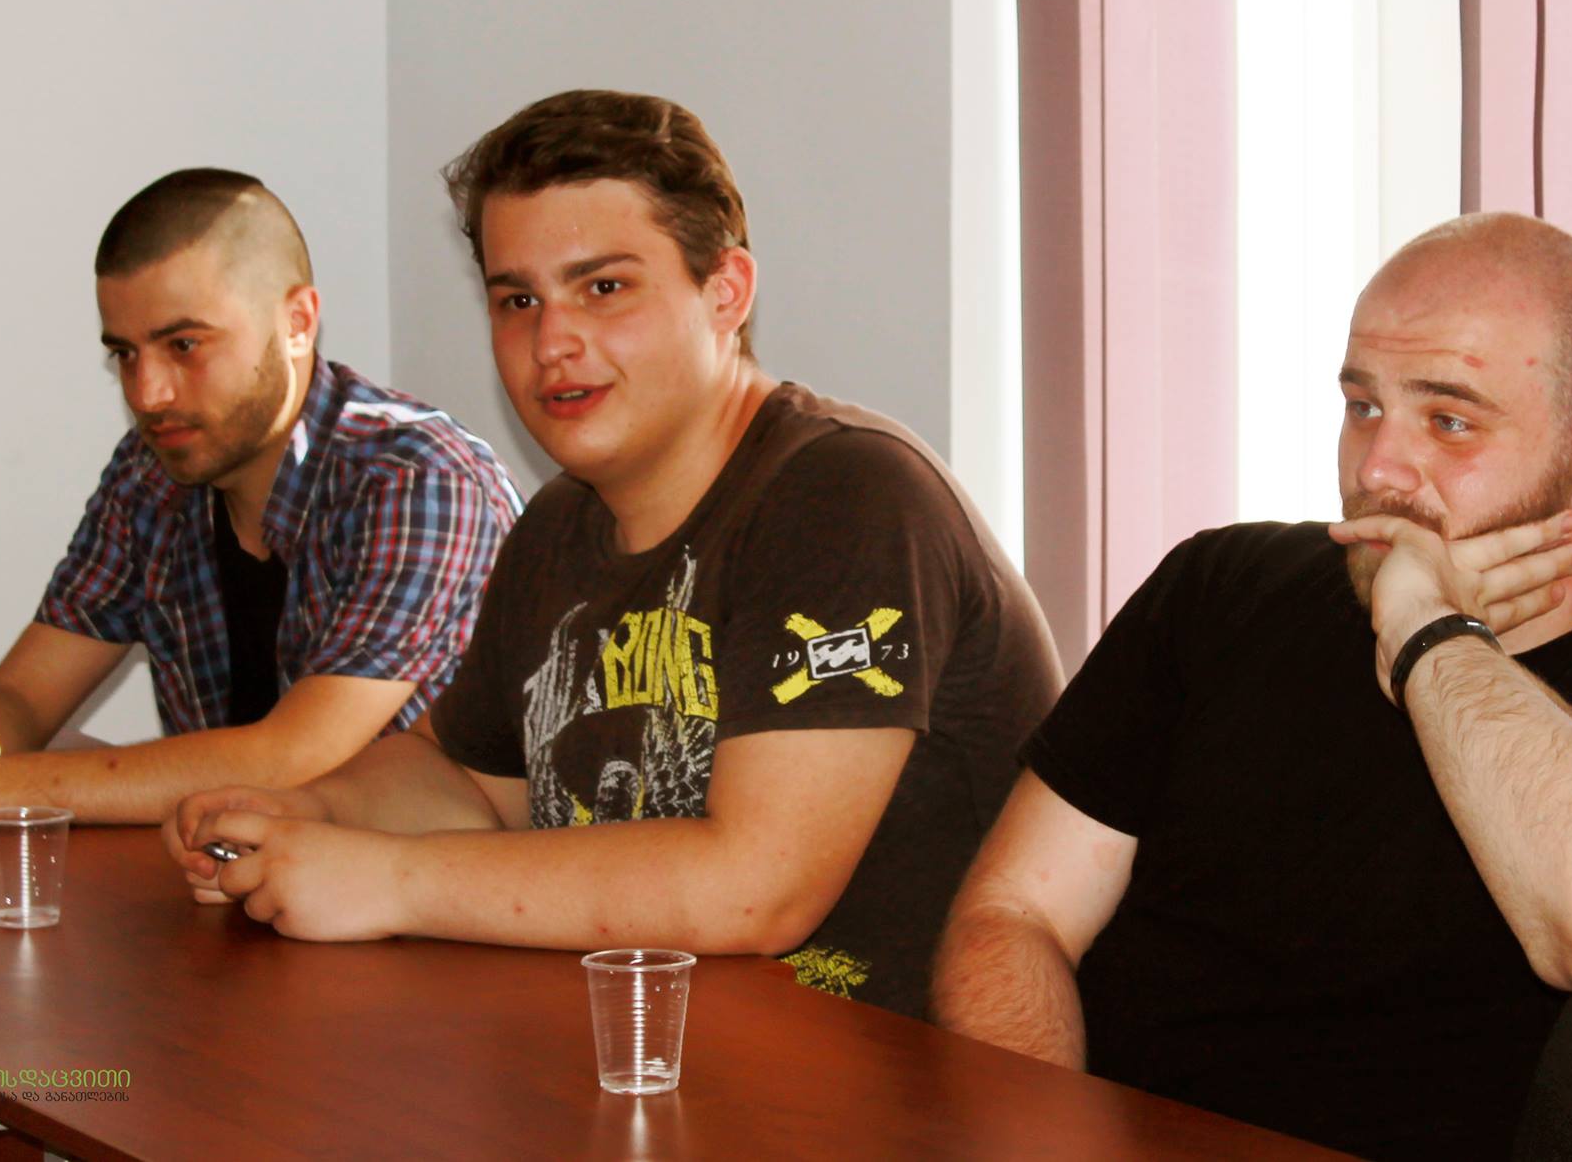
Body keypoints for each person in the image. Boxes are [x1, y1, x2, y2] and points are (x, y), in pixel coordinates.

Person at [164, 91, 1061, 1019]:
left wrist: (389, 879)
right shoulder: (559, 523)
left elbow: (755, 888)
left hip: (905, 1074)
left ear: (726, 291)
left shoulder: (848, 496)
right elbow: (471, 781)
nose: (553, 342)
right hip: (661, 1052)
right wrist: (307, 811)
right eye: (518, 299)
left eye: (603, 288)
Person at [931, 213, 1572, 1159]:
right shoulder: (1219, 591)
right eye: (1363, 405)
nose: (1377, 467)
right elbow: (1015, 914)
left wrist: (1427, 631)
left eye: (1449, 420)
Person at [0, 169, 521, 843]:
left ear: (298, 322)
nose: (148, 394)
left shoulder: (416, 478)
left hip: (424, 910)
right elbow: (20, 695)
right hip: (231, 888)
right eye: (125, 354)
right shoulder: (152, 473)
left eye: (184, 345)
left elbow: (292, 757)